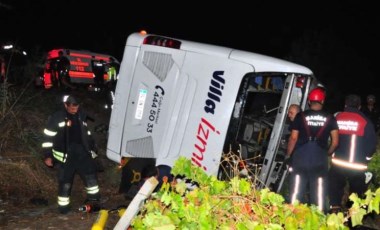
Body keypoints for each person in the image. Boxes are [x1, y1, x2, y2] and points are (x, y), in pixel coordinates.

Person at [41, 94, 101, 214]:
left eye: (76, 107)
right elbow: (48, 137)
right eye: (72, 107)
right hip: (65, 156)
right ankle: (64, 208)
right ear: (65, 105)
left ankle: (94, 201)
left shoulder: (81, 115)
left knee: (91, 177)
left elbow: (86, 133)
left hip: (82, 152)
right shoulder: (57, 117)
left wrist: (92, 147)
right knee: (65, 182)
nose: (75, 109)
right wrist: (47, 155)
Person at [286, 87, 339, 213]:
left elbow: (293, 138)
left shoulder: (300, 116)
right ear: (323, 101)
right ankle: (318, 220)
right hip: (319, 160)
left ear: (309, 101)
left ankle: (292, 219)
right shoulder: (330, 118)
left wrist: (288, 155)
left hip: (301, 159)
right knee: (319, 195)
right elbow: (335, 142)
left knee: (296, 193)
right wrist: (328, 153)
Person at [329, 94, 377, 213]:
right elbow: (372, 145)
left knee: (335, 193)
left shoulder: (337, 118)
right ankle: (352, 220)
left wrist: (330, 153)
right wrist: (366, 158)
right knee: (355, 196)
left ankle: (334, 216)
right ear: (359, 107)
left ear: (345, 104)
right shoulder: (366, 121)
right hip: (357, 166)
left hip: (338, 163)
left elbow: (329, 138)